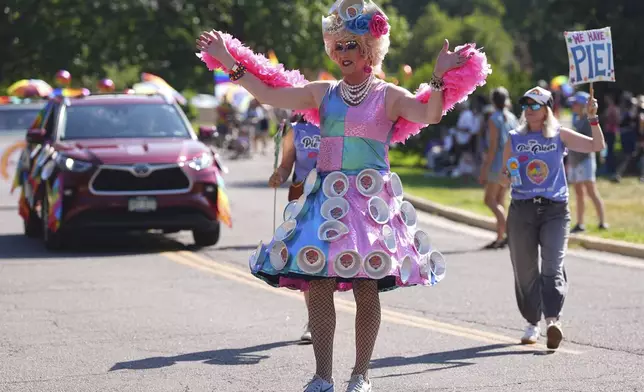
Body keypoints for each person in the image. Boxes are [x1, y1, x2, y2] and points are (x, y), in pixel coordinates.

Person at [196, 1, 488, 390]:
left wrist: (437, 76)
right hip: (326, 199)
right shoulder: (323, 93)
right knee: (318, 283)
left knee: (367, 286)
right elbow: (268, 94)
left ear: (370, 49)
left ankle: (360, 375)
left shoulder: (389, 96)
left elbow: (430, 116)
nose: (344, 53)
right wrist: (226, 58)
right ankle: (322, 376)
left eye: (352, 45)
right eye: (338, 46)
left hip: (369, 205)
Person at [500, 86, 605, 350]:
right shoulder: (514, 137)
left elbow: (596, 145)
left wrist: (593, 118)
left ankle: (552, 321)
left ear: (547, 109)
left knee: (552, 267)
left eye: (534, 105)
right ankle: (532, 323)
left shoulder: (560, 135)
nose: (528, 110)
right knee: (525, 272)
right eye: (525, 105)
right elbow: (504, 175)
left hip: (555, 210)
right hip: (522, 209)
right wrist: (508, 174)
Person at [268, 114, 321, 343]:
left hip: (335, 197)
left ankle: (325, 317)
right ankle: (314, 320)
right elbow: (287, 163)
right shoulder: (296, 129)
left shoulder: (338, 122)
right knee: (308, 259)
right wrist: (279, 174)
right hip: (302, 200)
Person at [478, 87, 518, 249]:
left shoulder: (494, 118)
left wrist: (484, 169)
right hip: (510, 162)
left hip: (497, 162)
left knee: (489, 200)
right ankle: (500, 237)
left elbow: (493, 146)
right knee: (501, 200)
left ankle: (508, 232)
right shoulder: (512, 118)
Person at [566, 91, 608, 233]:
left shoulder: (588, 121)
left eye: (576, 104)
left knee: (591, 191)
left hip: (585, 160)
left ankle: (602, 221)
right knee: (578, 193)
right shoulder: (575, 119)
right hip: (574, 161)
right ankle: (580, 223)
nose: (573, 106)